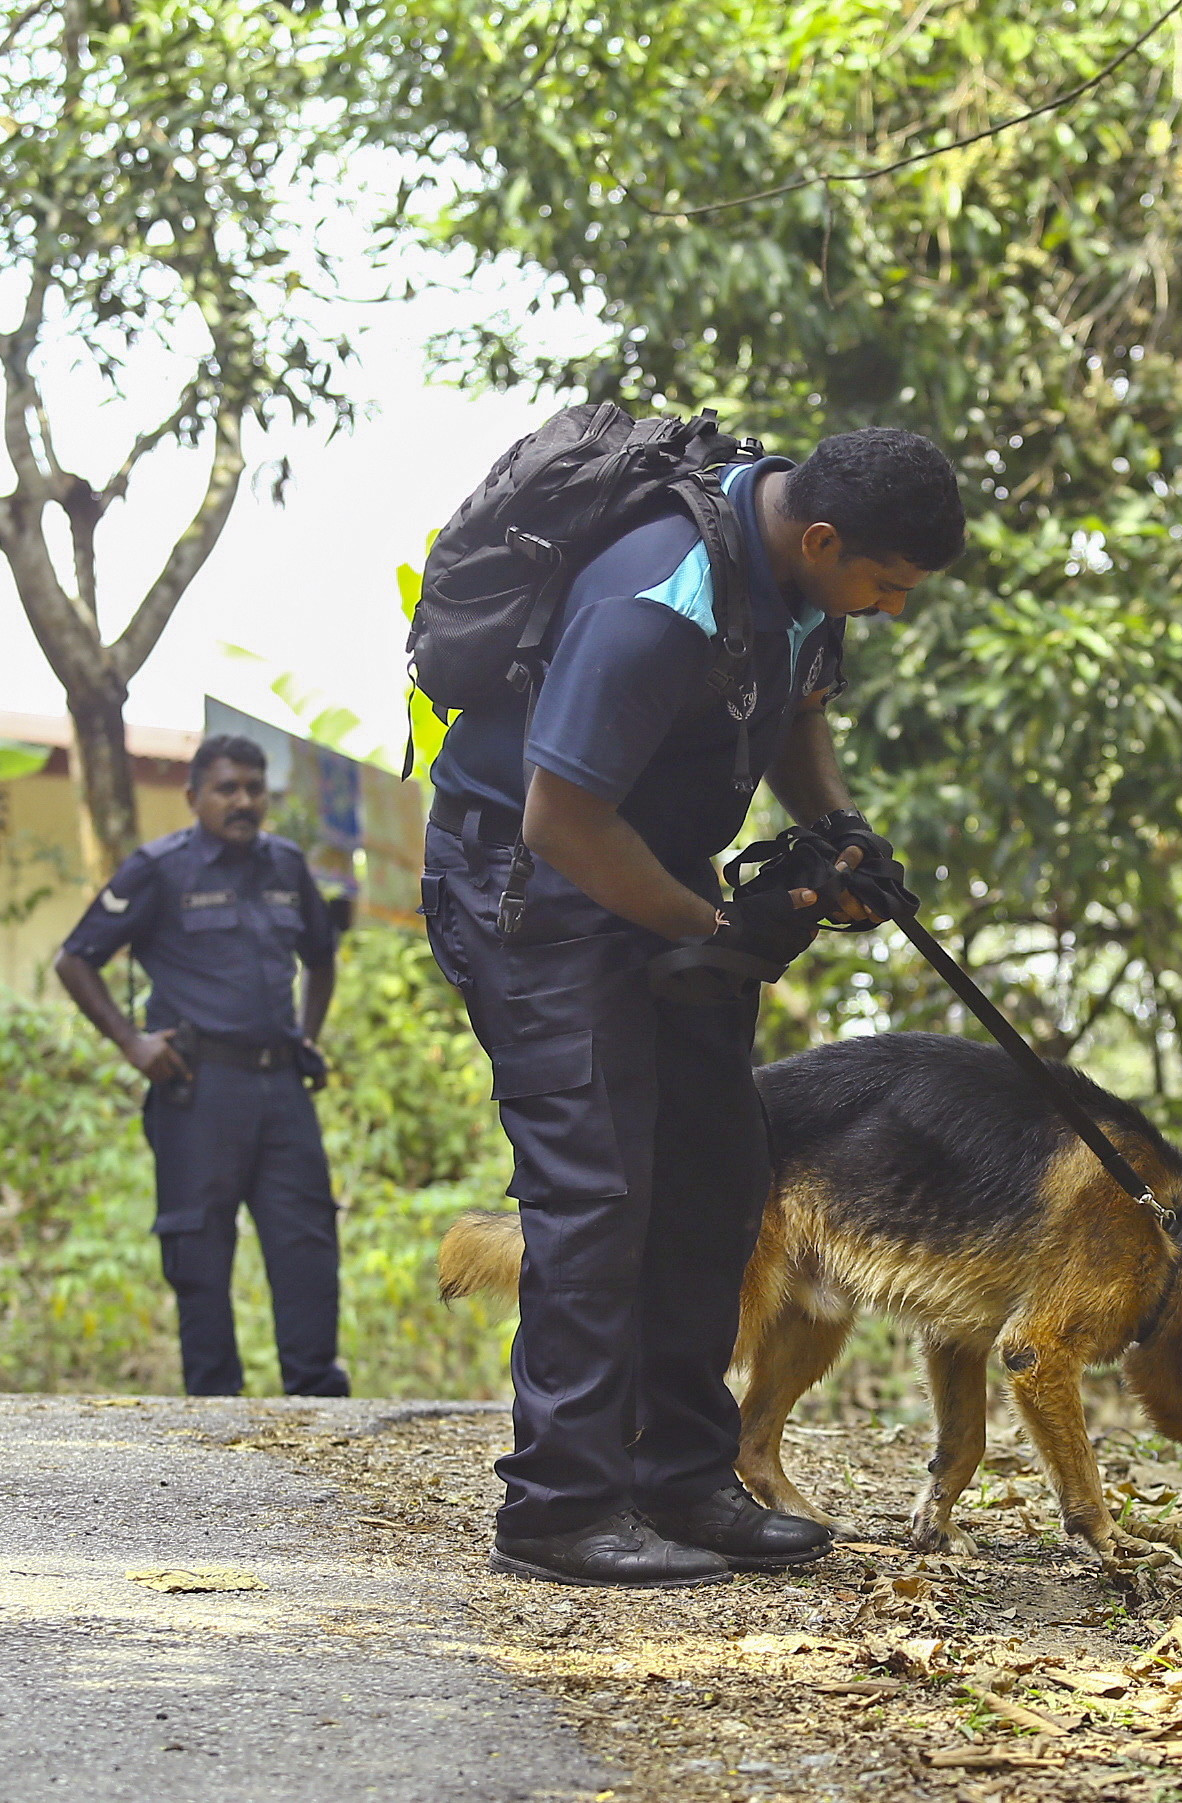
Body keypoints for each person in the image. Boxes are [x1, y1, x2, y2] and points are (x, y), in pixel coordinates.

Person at [421, 426, 965, 1589]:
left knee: (718, 1176)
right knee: (598, 1190)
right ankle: (559, 1508)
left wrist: (840, 834)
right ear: (819, 538)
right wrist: (715, 932)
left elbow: (798, 711)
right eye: (885, 585)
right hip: (534, 893)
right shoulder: (657, 599)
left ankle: (683, 1478)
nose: (891, 610)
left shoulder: (804, 586)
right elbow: (559, 824)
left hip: (656, 880)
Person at [55, 734, 348, 1399]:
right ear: (193, 797)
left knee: (306, 1242)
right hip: (198, 1088)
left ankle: (321, 1407)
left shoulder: (287, 865)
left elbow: (322, 955)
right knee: (199, 1252)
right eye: (227, 788)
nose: (244, 800)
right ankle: (216, 1419)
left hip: (282, 1086)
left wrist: (308, 1034)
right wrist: (132, 1042)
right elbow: (75, 959)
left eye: (254, 787)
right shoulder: (158, 869)